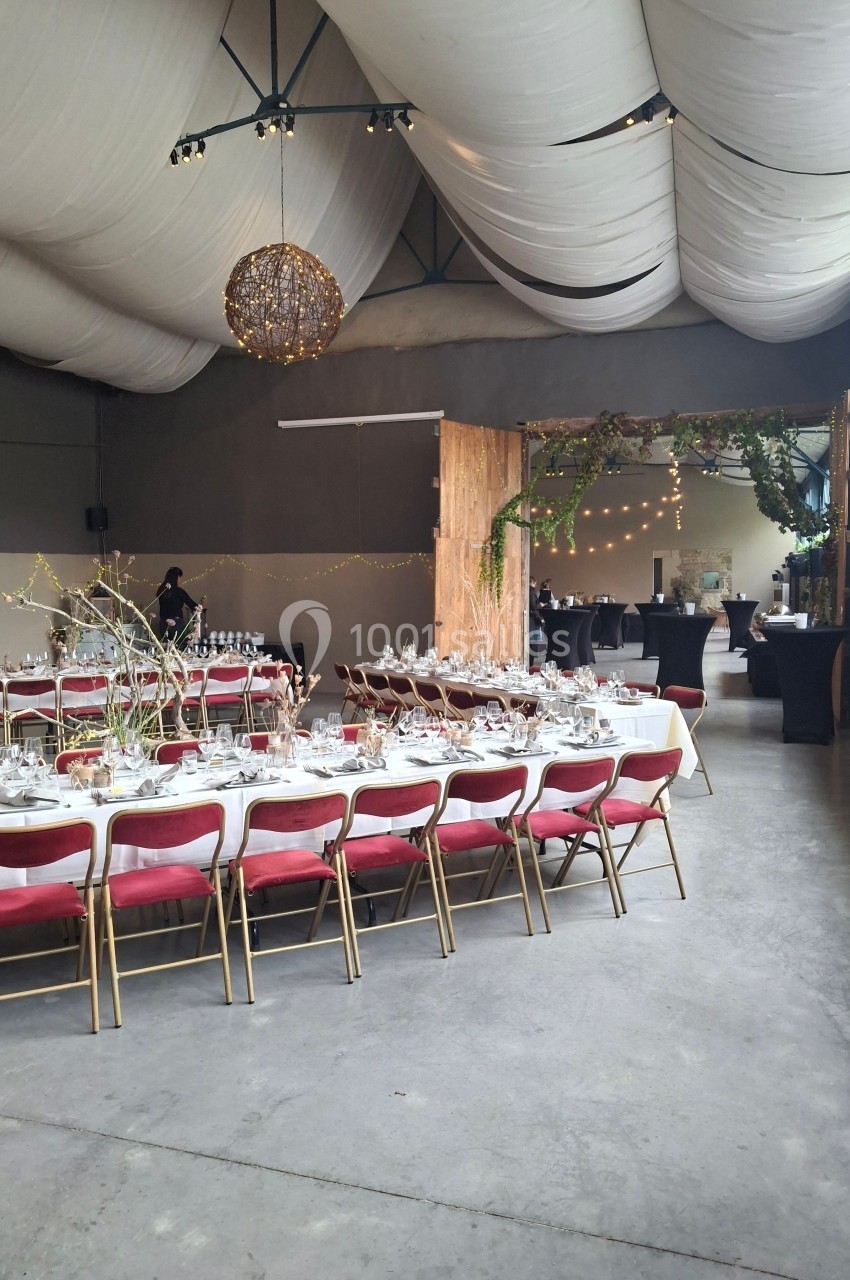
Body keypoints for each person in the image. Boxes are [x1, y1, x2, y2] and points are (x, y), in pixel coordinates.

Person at [155, 567, 205, 647]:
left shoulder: (161, 590)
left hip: (163, 623)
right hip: (177, 624)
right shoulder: (178, 591)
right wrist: (199, 606)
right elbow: (192, 605)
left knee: (165, 648)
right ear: (178, 577)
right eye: (180, 577)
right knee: (179, 647)